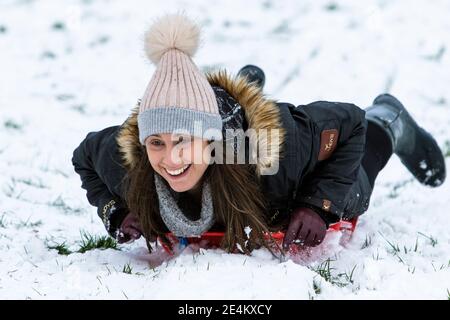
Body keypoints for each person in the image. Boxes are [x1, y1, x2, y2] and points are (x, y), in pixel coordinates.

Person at [72, 13, 446, 254]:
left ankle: (390, 120)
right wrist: (116, 211)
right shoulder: (129, 161)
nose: (170, 159)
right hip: (215, 126)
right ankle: (243, 85)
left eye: (183, 141)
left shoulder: (277, 151)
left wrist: (319, 204)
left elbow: (351, 124)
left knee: (354, 191)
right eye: (157, 143)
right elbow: (84, 156)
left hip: (273, 162)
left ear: (212, 141)